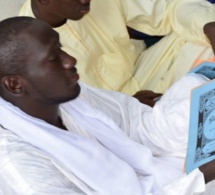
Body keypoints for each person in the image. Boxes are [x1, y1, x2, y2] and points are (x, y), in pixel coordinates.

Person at [0, 16, 214, 195]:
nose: (70, 60)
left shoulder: (69, 97)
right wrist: (200, 176)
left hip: (165, 176)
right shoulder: (22, 170)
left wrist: (196, 103)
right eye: (53, 58)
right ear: (15, 84)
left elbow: (137, 125)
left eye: (61, 48)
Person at [18, 0, 215, 95]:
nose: (86, 0)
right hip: (116, 118)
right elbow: (70, 113)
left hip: (144, 70)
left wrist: (208, 26)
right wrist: (126, 108)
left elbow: (171, 9)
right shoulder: (25, 47)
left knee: (202, 34)